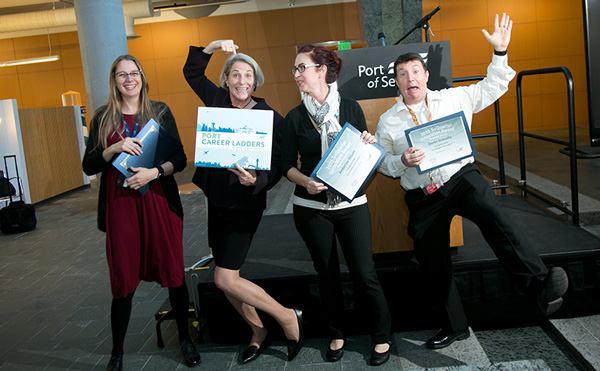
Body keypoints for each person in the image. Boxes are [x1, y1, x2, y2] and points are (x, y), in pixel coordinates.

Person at [375, 13, 569, 349]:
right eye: (402, 74)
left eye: (415, 72)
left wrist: (500, 52)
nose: (410, 79)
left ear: (426, 75)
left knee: (494, 213)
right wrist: (400, 160)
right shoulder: (388, 121)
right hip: (424, 196)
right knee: (431, 259)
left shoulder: (453, 98)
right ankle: (455, 326)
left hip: (461, 178)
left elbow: (493, 87)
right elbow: (382, 161)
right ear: (396, 82)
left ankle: (540, 285)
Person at [182, 40, 303, 364]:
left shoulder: (269, 117)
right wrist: (214, 45)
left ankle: (287, 316)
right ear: (226, 79)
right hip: (217, 202)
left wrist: (259, 181)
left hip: (245, 205)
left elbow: (280, 162)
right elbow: (191, 71)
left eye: (247, 75)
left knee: (224, 277)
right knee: (228, 280)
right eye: (235, 74)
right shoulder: (217, 100)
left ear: (255, 81)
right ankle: (257, 332)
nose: (241, 81)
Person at [82, 55, 200, 371]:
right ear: (114, 80)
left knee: (174, 273)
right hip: (121, 206)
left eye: (134, 73)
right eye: (122, 74)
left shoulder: (159, 112)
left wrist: (154, 173)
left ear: (142, 77)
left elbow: (181, 158)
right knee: (122, 278)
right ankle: (116, 352)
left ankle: (185, 339)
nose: (129, 79)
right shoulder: (103, 118)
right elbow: (88, 165)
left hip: (159, 201)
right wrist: (112, 149)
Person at [281, 44, 393, 366]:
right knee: (325, 274)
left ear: (321, 70)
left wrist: (369, 144)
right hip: (311, 209)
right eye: (295, 70)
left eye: (302, 68)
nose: (297, 75)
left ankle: (382, 336)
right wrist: (305, 181)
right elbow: (286, 165)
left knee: (364, 272)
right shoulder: (294, 117)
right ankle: (337, 332)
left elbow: (363, 151)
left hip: (352, 203)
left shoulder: (351, 107)